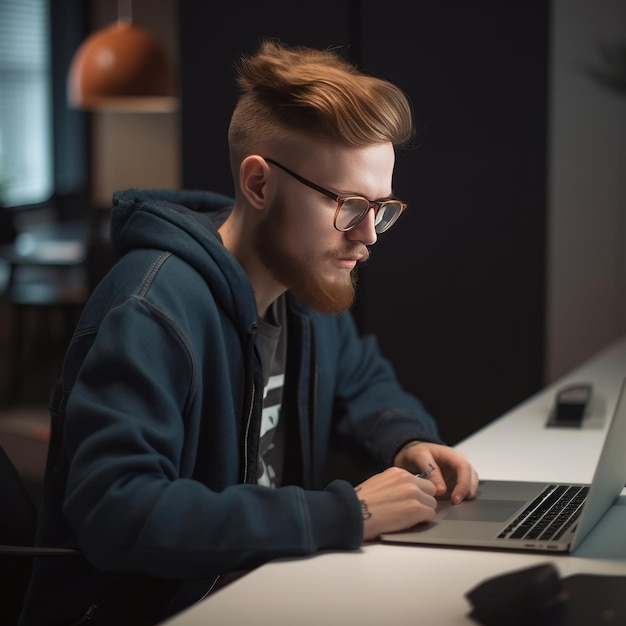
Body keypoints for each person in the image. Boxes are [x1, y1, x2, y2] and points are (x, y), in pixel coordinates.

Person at [19, 39, 478, 625]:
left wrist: (407, 440)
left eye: (381, 207)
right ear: (259, 185)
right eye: (348, 204)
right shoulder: (151, 309)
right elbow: (117, 508)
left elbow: (361, 379)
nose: (369, 236)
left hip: (258, 591)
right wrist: (348, 513)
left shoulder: (303, 284)